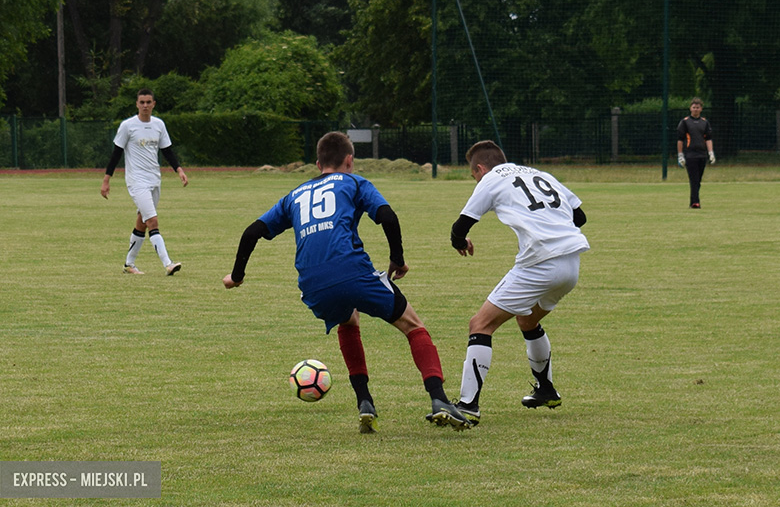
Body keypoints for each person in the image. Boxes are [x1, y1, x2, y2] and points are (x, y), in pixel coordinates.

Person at [222, 131, 470, 433]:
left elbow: (252, 232)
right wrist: (398, 259)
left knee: (349, 320)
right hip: (352, 271)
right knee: (414, 325)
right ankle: (439, 400)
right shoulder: (353, 182)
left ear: (317, 163)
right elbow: (387, 216)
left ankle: (365, 402)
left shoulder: (295, 195)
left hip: (312, 284)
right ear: (349, 160)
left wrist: (236, 277)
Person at [448, 140, 589, 426]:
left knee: (480, 324)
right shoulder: (540, 174)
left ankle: (467, 406)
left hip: (540, 263)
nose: (475, 179)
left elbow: (459, 227)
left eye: (473, 174)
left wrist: (460, 242)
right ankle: (546, 390)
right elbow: (580, 216)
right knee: (527, 320)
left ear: (479, 168)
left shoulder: (489, 180)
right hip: (571, 263)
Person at [101, 88, 188, 275]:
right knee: (152, 221)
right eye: (142, 102)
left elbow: (167, 151)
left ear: (154, 104)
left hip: (154, 180)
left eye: (149, 102)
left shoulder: (159, 125)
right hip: (136, 181)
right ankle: (168, 263)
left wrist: (179, 170)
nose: (145, 105)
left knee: (142, 221)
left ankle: (129, 265)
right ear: (137, 104)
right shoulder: (127, 126)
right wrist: (106, 180)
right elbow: (116, 154)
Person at [677, 97, 715, 209]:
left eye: (698, 107)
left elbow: (708, 138)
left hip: (702, 155)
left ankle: (693, 201)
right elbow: (680, 139)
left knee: (698, 180)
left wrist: (711, 153)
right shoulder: (685, 122)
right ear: (690, 108)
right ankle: (695, 202)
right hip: (690, 154)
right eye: (694, 107)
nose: (695, 109)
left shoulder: (704, 122)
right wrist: (680, 155)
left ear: (701, 109)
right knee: (694, 179)